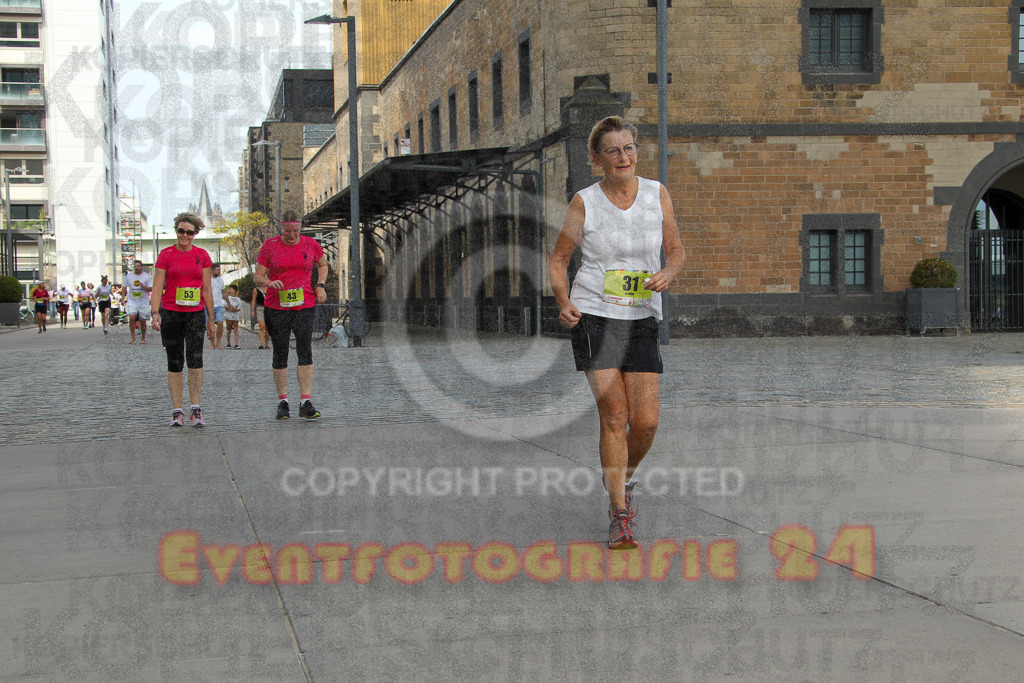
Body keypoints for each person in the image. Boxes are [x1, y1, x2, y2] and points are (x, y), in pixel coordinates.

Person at [548, 116, 686, 550]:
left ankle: (620, 481)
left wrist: (668, 271)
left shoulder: (656, 194)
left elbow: (677, 249)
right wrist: (562, 301)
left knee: (645, 422)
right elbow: (558, 260)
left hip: (642, 315)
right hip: (595, 315)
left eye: (629, 148)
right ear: (597, 159)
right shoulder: (584, 203)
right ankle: (620, 514)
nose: (623, 157)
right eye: (613, 150)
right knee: (615, 416)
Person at [254, 208, 328, 420]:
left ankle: (305, 401)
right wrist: (268, 282)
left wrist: (320, 285)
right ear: (281, 228)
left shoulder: (310, 244)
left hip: (304, 305)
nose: (292, 235)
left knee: (305, 350)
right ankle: (283, 401)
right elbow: (257, 276)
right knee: (280, 351)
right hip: (276, 306)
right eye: (288, 231)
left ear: (300, 228)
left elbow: (323, 264)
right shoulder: (270, 246)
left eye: (296, 231)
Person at [151, 212, 215, 427]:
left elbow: (206, 288)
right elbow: (158, 286)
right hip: (171, 313)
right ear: (176, 230)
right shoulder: (166, 255)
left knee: (196, 361)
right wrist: (155, 312)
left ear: (196, 233)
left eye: (189, 232)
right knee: (175, 362)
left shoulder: (202, 255)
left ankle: (195, 407)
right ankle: (177, 410)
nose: (184, 235)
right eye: (181, 231)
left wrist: (211, 318)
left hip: (195, 314)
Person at [124, 259, 153, 344]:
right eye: (135, 266)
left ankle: (143, 338)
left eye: (138, 266)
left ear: (141, 267)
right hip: (132, 301)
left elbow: (151, 288)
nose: (136, 268)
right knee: (132, 317)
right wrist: (123, 298)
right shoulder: (129, 276)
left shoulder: (146, 276)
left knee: (143, 321)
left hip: (143, 302)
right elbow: (124, 287)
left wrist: (143, 287)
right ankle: (132, 337)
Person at [209, 263, 227, 349]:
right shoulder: (207, 279)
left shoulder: (220, 280)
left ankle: (218, 342)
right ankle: (212, 343)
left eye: (219, 270)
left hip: (219, 305)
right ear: (212, 270)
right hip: (209, 305)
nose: (219, 271)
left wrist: (229, 303)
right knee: (210, 324)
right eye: (217, 270)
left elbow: (224, 292)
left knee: (220, 323)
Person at [223, 283, 242, 348]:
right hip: (228, 316)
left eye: (230, 289)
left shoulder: (238, 299)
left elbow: (239, 308)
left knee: (236, 330)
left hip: (235, 317)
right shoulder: (227, 298)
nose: (229, 290)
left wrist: (235, 309)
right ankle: (228, 343)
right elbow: (225, 306)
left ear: (235, 290)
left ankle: (236, 344)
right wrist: (230, 308)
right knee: (229, 330)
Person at [251, 284, 268, 349]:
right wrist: (252, 310)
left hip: (268, 309)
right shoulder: (256, 289)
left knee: (267, 328)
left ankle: (266, 344)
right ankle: (261, 344)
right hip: (260, 308)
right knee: (261, 326)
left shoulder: (270, 288)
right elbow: (253, 300)